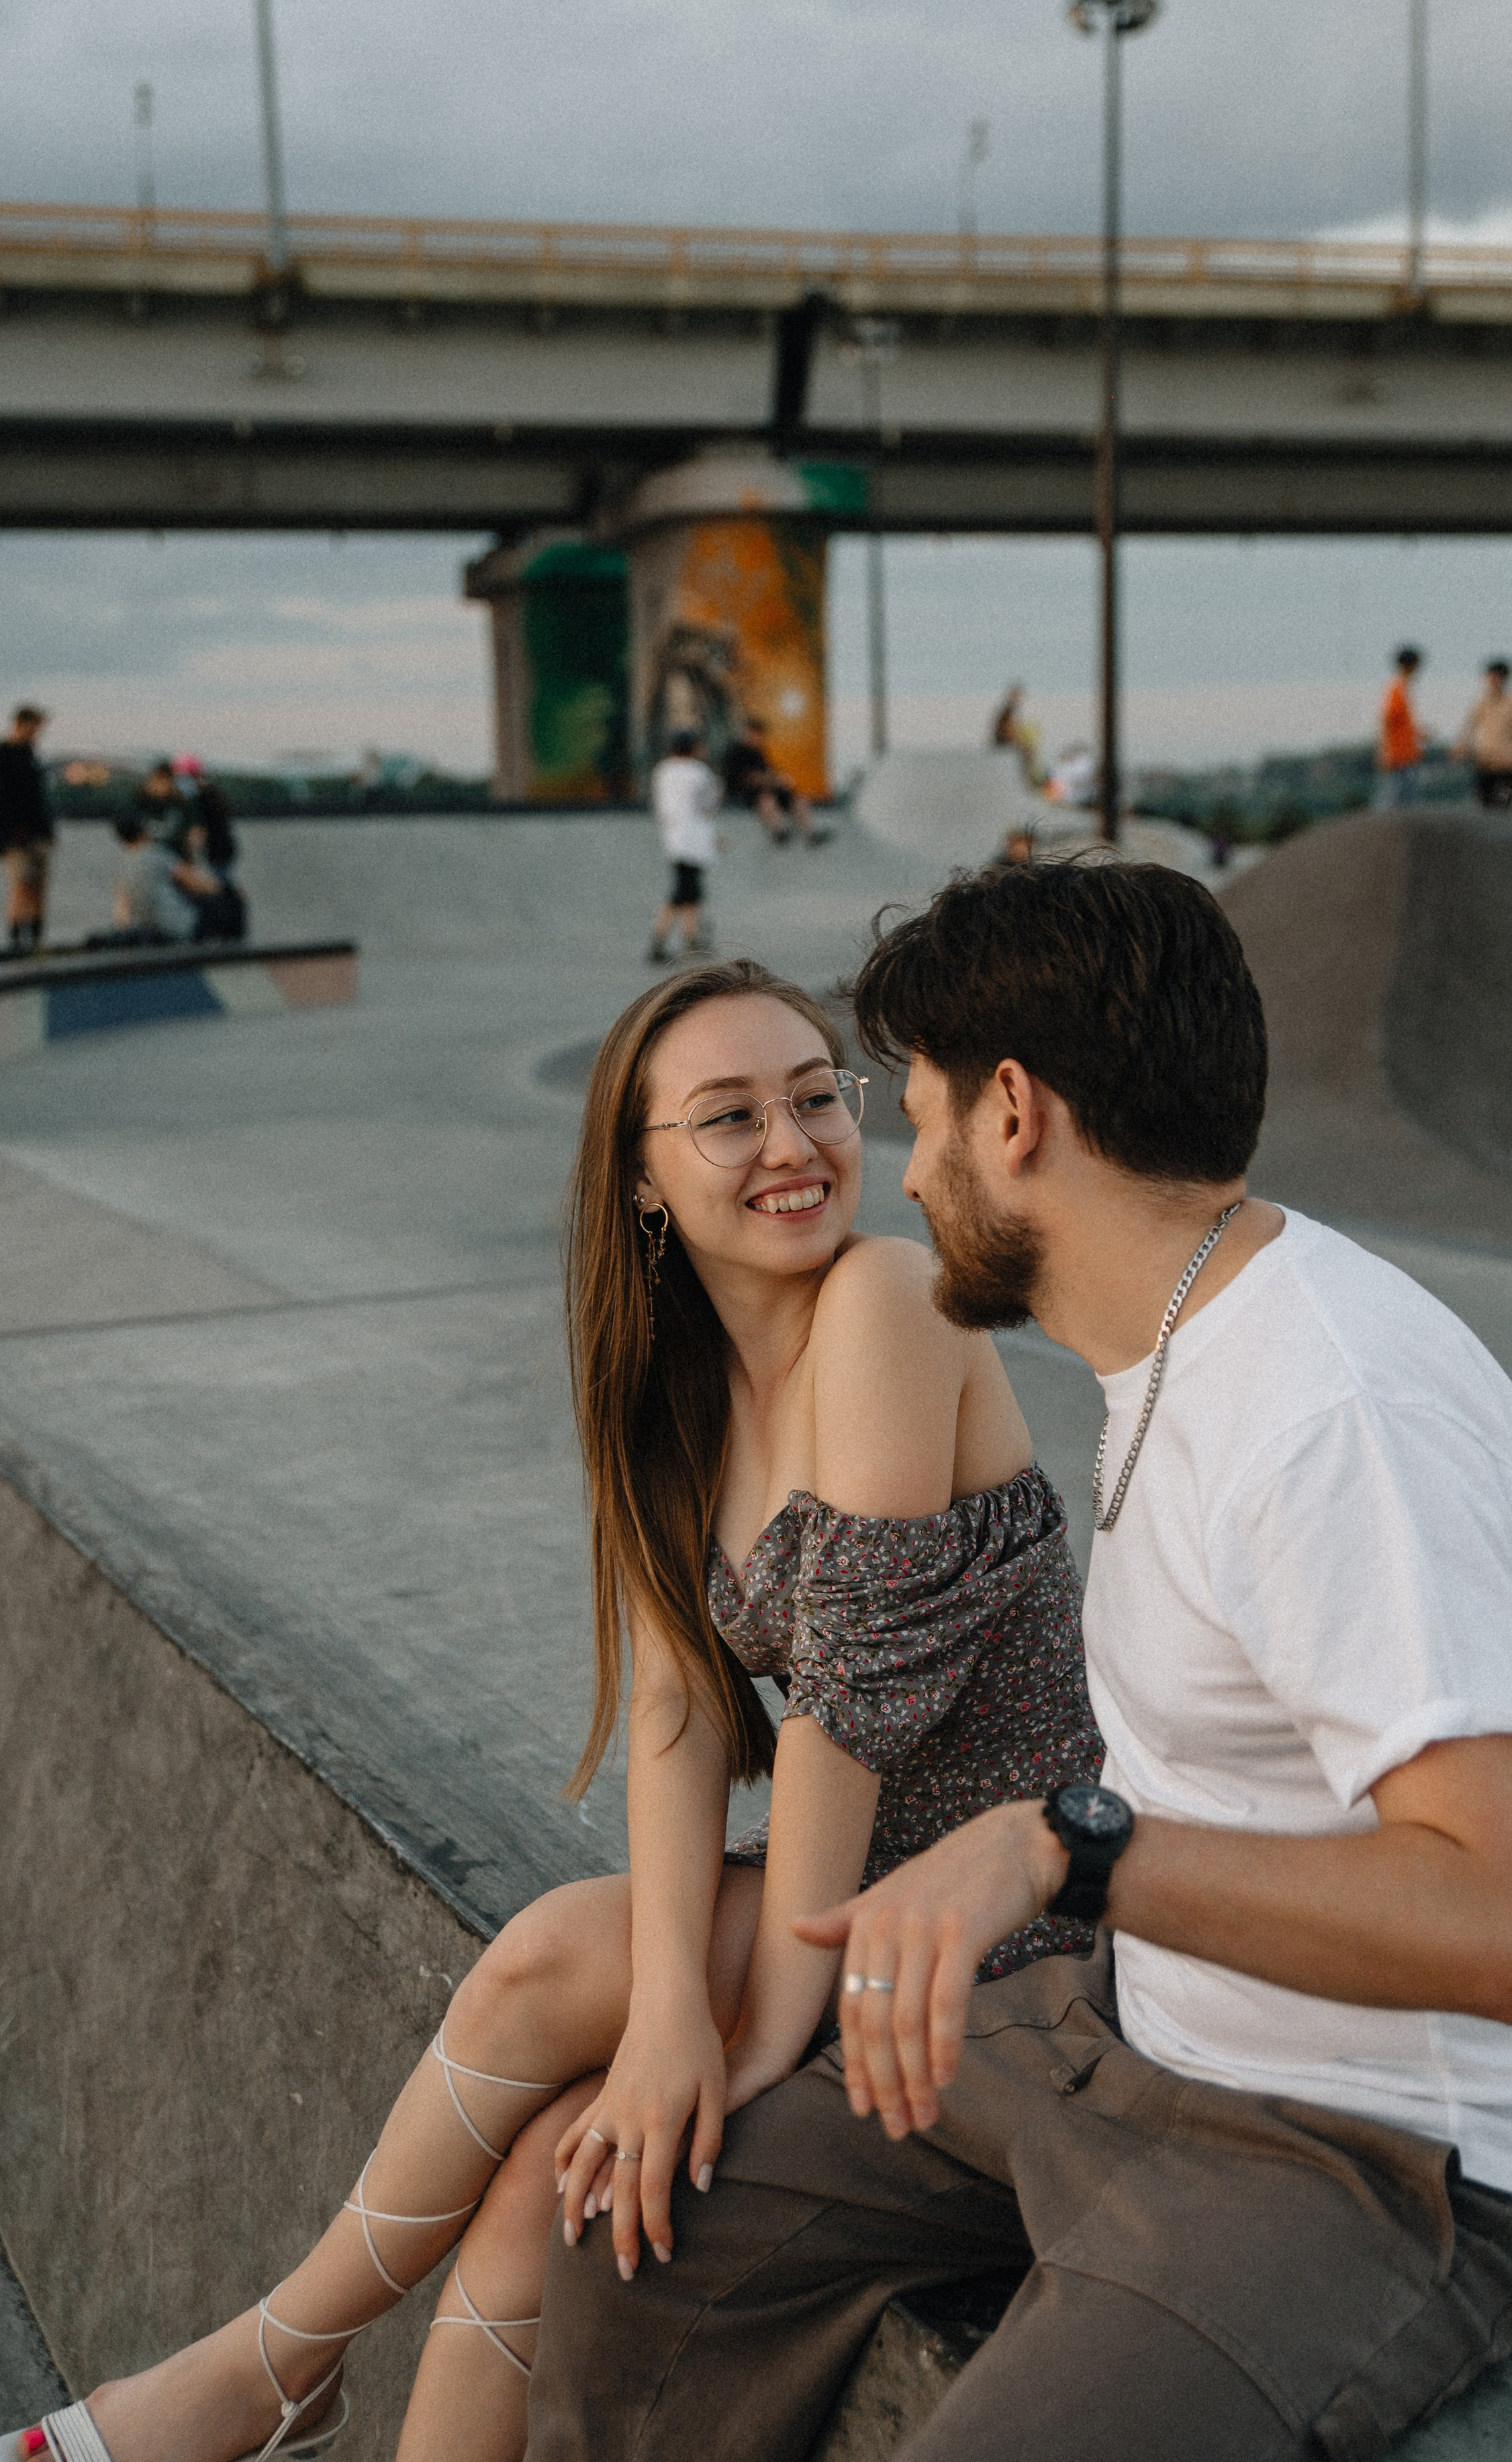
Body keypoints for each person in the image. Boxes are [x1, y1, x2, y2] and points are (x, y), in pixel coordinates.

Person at [525, 859, 1512, 2462]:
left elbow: (1511, 1924)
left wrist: (1063, 1846)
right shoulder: (1171, 1344)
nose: (903, 1177)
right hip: (1123, 2031)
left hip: (1369, 2151)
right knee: (632, 2241)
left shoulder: (1329, 1413)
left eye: (916, 1117)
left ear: (1013, 1113)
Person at [11, 956, 1099, 2462]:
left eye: (814, 1097)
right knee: (548, 2178)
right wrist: (665, 2016)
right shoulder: (679, 1382)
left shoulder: (886, 1299)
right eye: (728, 1116)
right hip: (851, 1893)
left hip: (1007, 1923)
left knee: (549, 1969)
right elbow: (678, 1713)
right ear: (642, 1178)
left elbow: (845, 1717)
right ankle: (273, 2376)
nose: (792, 1145)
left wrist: (747, 2046)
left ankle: (267, 2370)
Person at [99, 813, 246, 947]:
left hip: (152, 928)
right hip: (180, 926)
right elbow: (200, 885)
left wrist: (123, 934)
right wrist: (230, 889)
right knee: (231, 901)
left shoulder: (124, 864)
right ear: (143, 830)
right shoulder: (157, 853)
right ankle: (237, 951)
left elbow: (122, 913)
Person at [647, 733, 722, 962]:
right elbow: (709, 804)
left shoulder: (663, 770)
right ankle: (660, 941)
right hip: (695, 840)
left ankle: (691, 938)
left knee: (690, 891)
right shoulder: (699, 771)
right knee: (682, 892)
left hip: (673, 838)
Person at [721, 719, 829, 848]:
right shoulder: (735, 752)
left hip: (765, 789)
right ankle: (779, 833)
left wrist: (779, 779)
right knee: (767, 801)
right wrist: (774, 780)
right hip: (743, 793)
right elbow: (749, 779)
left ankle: (812, 833)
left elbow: (767, 770)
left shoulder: (758, 752)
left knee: (797, 798)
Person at [1, 703, 54, 958]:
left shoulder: (30, 754)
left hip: (38, 835)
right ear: (22, 725)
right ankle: (15, 943)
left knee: (39, 888)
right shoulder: (5, 754)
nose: (38, 733)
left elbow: (38, 800)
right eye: (35, 727)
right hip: (16, 838)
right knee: (21, 886)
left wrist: (48, 832)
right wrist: (11, 834)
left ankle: (35, 941)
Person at [1455, 659, 1512, 811]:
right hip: (1484, 764)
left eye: (1495, 678)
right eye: (1489, 678)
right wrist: (1461, 747)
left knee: (1503, 809)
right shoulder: (1482, 704)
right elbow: (1469, 728)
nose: (1492, 682)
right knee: (1484, 808)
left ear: (1504, 679)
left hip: (1506, 767)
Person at [175, 754, 240, 884]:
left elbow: (199, 832)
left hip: (217, 850)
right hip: (221, 849)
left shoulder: (203, 797)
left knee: (220, 884)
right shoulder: (212, 792)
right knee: (224, 881)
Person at [1374, 645, 1425, 809]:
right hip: (1398, 757)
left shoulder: (1403, 689)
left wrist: (1418, 734)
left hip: (1407, 755)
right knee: (1393, 801)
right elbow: (1387, 721)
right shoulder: (1397, 690)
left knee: (1405, 801)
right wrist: (1386, 751)